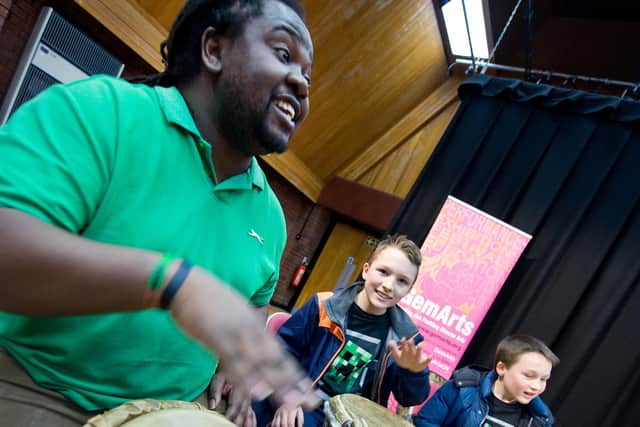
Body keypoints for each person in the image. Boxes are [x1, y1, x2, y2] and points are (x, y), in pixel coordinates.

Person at [0, 0, 317, 426]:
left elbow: (253, 306)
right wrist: (170, 284)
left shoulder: (272, 218)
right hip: (41, 387)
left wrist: (233, 365)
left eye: (308, 74)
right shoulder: (101, 111)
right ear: (215, 50)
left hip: (174, 409)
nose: (301, 82)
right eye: (283, 54)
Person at [253, 234, 433, 427]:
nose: (389, 286)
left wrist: (413, 373)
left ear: (408, 290)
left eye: (402, 281)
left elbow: (409, 398)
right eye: (383, 271)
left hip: (354, 419)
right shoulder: (323, 306)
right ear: (366, 270)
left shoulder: (404, 338)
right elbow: (281, 353)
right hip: (304, 404)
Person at [413, 335, 559, 427]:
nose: (536, 386)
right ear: (502, 368)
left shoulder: (541, 419)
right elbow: (425, 422)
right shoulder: (462, 388)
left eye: (543, 379)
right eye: (528, 375)